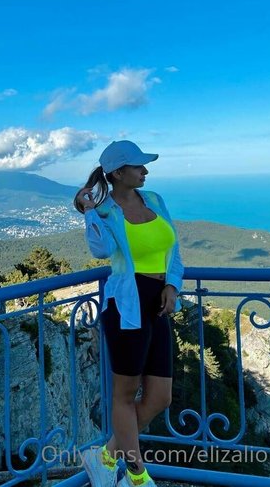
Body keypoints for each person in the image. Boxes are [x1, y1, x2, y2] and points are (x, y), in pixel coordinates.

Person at [74, 140, 184, 487]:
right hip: (126, 306)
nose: (145, 171)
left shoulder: (155, 200)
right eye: (138, 166)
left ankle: (105, 457)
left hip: (158, 303)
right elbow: (100, 250)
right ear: (119, 173)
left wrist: (172, 285)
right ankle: (136, 475)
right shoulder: (106, 209)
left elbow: (174, 250)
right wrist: (89, 211)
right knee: (125, 394)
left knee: (160, 397)